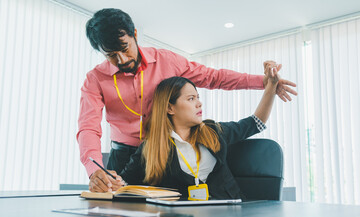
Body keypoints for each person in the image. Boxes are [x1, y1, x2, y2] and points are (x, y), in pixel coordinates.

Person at [79, 8, 297, 193]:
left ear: (134, 34)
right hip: (126, 156)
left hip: (167, 150)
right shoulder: (95, 79)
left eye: (124, 48)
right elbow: (88, 128)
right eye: (111, 55)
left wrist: (264, 82)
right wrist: (94, 169)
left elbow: (214, 77)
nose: (122, 60)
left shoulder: (167, 61)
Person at [108, 64, 279, 199]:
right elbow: (123, 184)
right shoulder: (151, 148)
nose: (199, 103)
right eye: (191, 99)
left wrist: (271, 86)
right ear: (169, 108)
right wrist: (110, 182)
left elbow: (256, 122)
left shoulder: (213, 131)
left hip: (231, 216)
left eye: (198, 97)